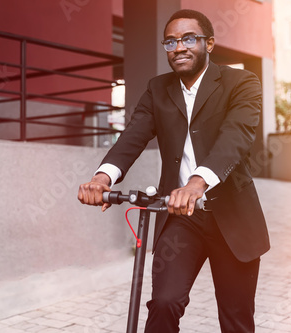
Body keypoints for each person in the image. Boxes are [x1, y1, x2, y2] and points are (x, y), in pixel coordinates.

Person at [78, 9, 270, 333]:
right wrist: (102, 177)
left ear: (209, 43)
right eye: (170, 41)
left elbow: (235, 137)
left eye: (188, 38)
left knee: (236, 321)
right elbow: (133, 135)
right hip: (182, 220)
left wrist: (197, 183)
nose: (178, 47)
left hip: (234, 219)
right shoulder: (158, 89)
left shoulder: (242, 82)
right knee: (164, 304)